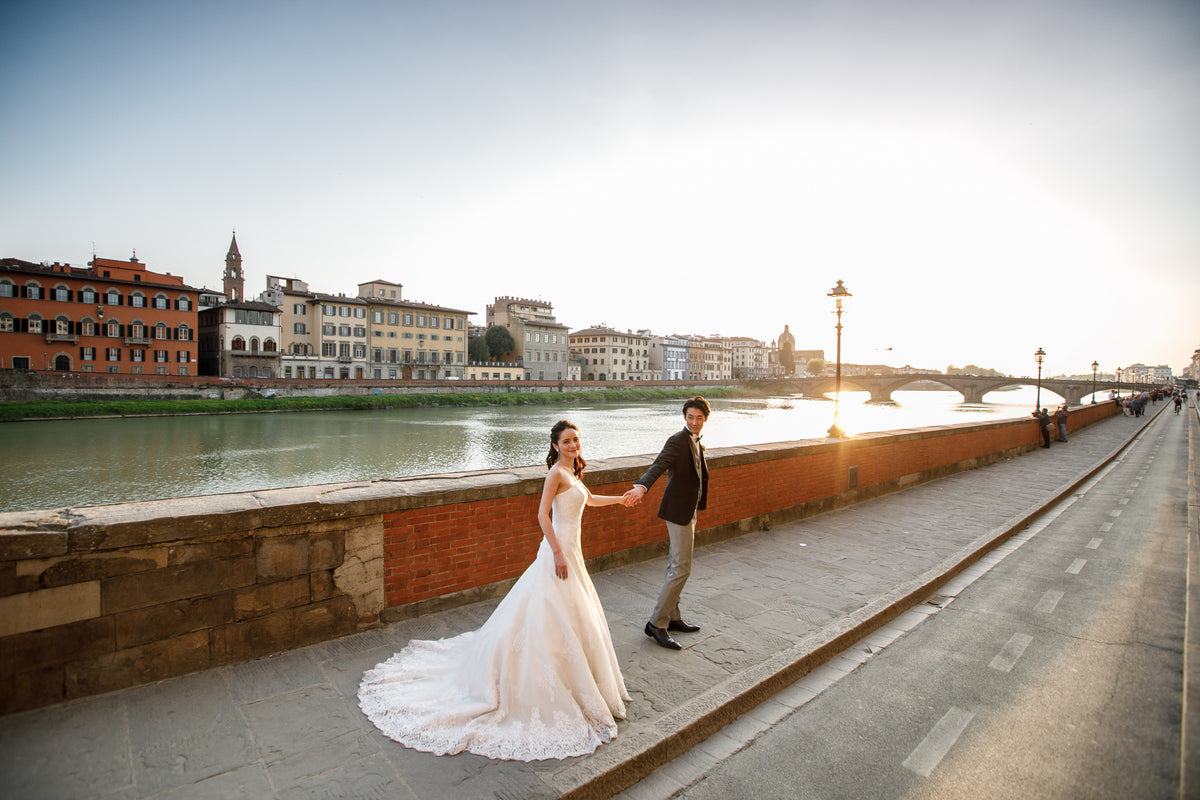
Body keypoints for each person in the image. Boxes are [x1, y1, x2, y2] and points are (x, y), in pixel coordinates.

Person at [358, 420, 632, 760]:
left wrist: (622, 499)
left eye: (576, 439)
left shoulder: (573, 472)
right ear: (555, 446)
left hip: (572, 553)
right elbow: (542, 515)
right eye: (567, 441)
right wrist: (558, 553)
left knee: (574, 614)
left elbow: (589, 501)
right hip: (558, 552)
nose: (573, 445)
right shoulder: (556, 475)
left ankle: (579, 679)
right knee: (549, 611)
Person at [624, 396, 710, 650]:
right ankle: (657, 624)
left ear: (705, 419)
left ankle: (672, 617)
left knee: (676, 564)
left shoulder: (696, 442)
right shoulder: (677, 440)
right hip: (677, 512)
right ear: (684, 417)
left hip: (688, 509)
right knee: (682, 568)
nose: (694, 422)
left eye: (699, 418)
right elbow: (659, 464)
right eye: (690, 417)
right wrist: (642, 486)